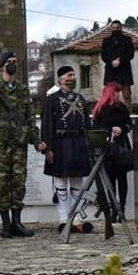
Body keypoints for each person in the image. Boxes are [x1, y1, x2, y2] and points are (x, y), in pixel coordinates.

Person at [0, 51, 46, 238]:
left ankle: (17, 222)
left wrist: (36, 140)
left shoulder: (23, 89)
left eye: (15, 62)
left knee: (18, 182)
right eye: (9, 62)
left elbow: (30, 118)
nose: (12, 64)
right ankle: (6, 224)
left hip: (19, 143)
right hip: (0, 145)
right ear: (2, 66)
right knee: (1, 183)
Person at [41, 66, 93, 234]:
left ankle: (76, 218)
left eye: (73, 74)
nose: (73, 77)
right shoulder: (52, 100)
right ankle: (64, 219)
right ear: (60, 79)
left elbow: (88, 125)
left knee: (77, 180)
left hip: (78, 143)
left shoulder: (80, 98)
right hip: (60, 143)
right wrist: (48, 149)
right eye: (69, 75)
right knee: (62, 181)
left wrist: (89, 144)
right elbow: (47, 124)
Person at [91, 82, 133, 222]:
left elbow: (129, 124)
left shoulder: (121, 107)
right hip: (106, 148)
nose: (119, 94)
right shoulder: (100, 109)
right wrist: (108, 132)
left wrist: (121, 129)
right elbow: (96, 128)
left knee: (122, 179)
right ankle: (114, 211)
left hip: (120, 147)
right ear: (110, 92)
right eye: (116, 92)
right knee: (110, 181)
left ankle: (121, 210)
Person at [100, 20, 135, 110]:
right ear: (111, 28)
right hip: (111, 71)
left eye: (117, 28)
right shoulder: (106, 41)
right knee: (110, 96)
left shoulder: (127, 40)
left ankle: (128, 116)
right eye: (114, 28)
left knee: (126, 95)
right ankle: (111, 116)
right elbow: (103, 56)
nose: (115, 29)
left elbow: (131, 54)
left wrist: (120, 61)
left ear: (121, 28)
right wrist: (111, 62)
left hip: (124, 71)